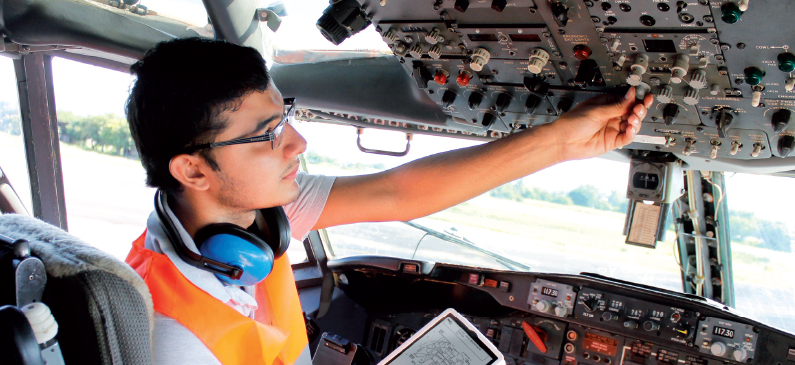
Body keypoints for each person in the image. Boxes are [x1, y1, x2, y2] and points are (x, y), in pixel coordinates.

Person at [123, 38, 653, 365]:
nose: (297, 144)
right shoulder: (169, 338)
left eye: (284, 118)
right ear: (193, 170)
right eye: (266, 136)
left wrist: (563, 141)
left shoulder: (257, 214)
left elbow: (401, 192)